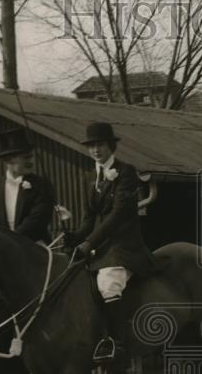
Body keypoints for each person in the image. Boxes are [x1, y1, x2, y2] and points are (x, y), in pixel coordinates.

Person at [64, 122, 156, 360]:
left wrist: (90, 242)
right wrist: (72, 236)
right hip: (101, 245)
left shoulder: (126, 172)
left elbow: (118, 215)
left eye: (100, 145)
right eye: (92, 146)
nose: (96, 150)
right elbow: (88, 219)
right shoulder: (88, 177)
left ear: (111, 146)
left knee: (108, 284)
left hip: (124, 245)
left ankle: (117, 343)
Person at [0, 128, 56, 244]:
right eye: (26, 157)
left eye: (31, 156)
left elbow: (39, 218)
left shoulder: (42, 185)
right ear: (8, 160)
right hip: (1, 249)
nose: (31, 161)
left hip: (35, 247)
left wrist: (11, 239)